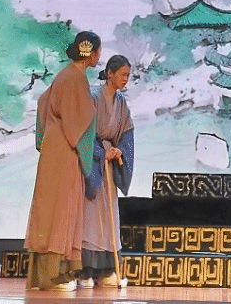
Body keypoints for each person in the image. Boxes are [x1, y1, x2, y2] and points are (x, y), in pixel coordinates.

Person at [24, 31, 100, 291]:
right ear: (91, 53)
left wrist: (45, 136)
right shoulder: (76, 78)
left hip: (55, 144)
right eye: (97, 51)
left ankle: (56, 272)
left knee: (53, 206)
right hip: (66, 147)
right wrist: (88, 156)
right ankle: (53, 275)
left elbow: (43, 102)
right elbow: (81, 122)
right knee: (60, 207)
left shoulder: (66, 75)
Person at [77, 55, 135, 288]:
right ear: (109, 74)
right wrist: (101, 152)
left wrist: (119, 150)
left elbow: (127, 133)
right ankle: (85, 271)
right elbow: (84, 132)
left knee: (109, 216)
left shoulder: (121, 102)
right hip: (93, 163)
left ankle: (106, 270)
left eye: (128, 75)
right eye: (122, 74)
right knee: (90, 217)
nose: (125, 79)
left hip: (110, 165)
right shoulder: (93, 98)